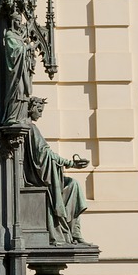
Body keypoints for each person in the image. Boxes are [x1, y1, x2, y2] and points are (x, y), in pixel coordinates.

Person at [23, 97, 89, 246]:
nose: (40, 115)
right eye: (39, 110)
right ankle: (70, 231)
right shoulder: (31, 128)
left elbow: (46, 154)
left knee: (74, 185)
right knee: (72, 185)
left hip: (40, 174)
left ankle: (75, 231)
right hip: (37, 177)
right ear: (31, 108)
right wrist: (71, 163)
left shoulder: (31, 128)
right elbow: (44, 155)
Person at [2, 16, 35, 125]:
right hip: (16, 72)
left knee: (24, 93)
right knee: (18, 91)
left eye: (20, 21)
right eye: (17, 20)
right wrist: (26, 47)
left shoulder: (18, 36)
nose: (19, 23)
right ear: (12, 21)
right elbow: (14, 53)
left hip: (23, 70)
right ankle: (12, 117)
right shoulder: (9, 35)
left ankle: (21, 117)